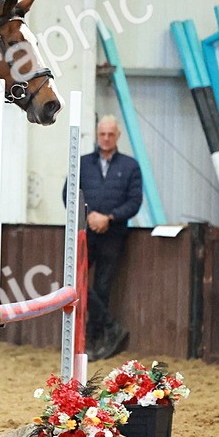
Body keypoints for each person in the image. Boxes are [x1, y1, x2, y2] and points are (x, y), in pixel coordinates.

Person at [68, 115, 143, 359]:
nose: (106, 138)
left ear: (117, 136)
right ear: (97, 134)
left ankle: (94, 340)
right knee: (79, 282)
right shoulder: (82, 164)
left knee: (102, 286)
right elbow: (68, 193)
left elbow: (134, 202)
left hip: (113, 233)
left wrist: (109, 218)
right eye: (103, 134)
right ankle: (110, 329)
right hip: (85, 232)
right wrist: (88, 217)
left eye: (111, 134)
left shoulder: (130, 166)